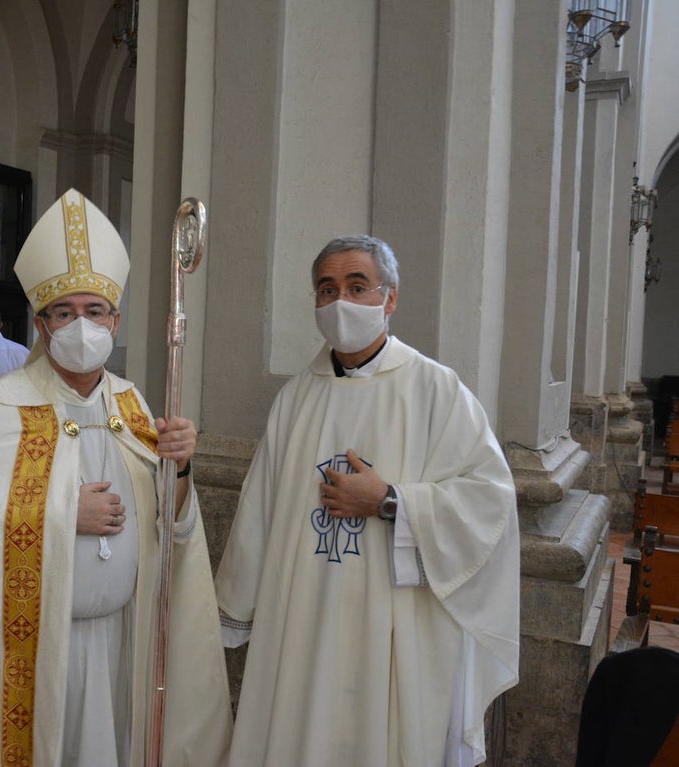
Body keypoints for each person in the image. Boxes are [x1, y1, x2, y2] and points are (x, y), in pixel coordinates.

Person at [0, 189, 232, 767]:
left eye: (94, 311)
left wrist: (181, 468)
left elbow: (168, 527)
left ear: (115, 320)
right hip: (38, 646)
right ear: (41, 324)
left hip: (122, 639)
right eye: (64, 312)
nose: (81, 325)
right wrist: (64, 512)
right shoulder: (2, 406)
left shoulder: (132, 405)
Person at [215, 235, 520, 766]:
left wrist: (389, 499)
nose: (341, 302)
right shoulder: (295, 398)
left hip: (394, 623)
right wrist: (233, 605)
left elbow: (489, 501)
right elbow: (258, 512)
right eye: (327, 290)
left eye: (358, 287)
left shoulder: (436, 390)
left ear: (390, 297)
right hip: (302, 619)